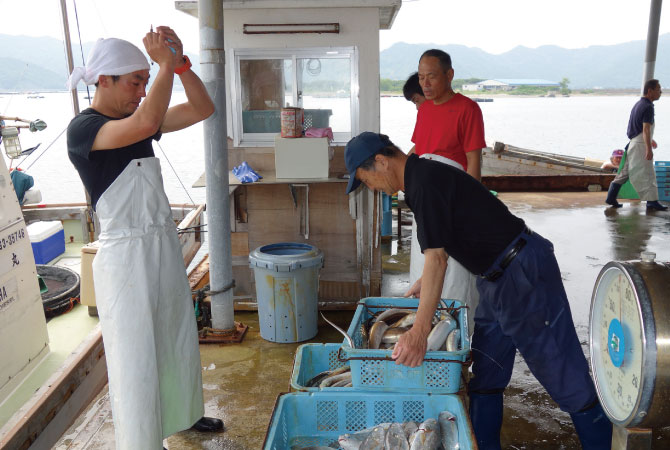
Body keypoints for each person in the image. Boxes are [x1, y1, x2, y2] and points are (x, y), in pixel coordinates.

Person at [344, 132, 613, 450]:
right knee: (486, 376)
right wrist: (423, 283)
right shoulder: (421, 178)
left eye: (367, 180)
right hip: (494, 279)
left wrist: (419, 331)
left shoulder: (423, 183)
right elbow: (452, 237)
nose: (372, 188)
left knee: (563, 374)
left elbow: (437, 259)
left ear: (381, 161)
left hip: (523, 274)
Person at [66, 29, 220, 449]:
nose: (142, 89)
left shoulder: (137, 120)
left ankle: (183, 414)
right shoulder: (86, 128)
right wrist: (164, 64)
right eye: (135, 81)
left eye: (144, 80)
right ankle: (141, 441)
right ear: (104, 81)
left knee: (174, 336)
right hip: (125, 255)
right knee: (134, 355)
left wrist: (181, 63)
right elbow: (148, 121)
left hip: (161, 245)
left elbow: (203, 108)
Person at [406, 49, 485, 334]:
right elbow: (419, 151)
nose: (425, 84)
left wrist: (472, 206)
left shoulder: (468, 109)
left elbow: (474, 159)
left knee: (456, 275)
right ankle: (423, 332)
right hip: (425, 200)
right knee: (423, 263)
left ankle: (460, 339)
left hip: (455, 201)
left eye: (432, 77)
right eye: (421, 77)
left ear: (449, 75)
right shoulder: (424, 109)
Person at [605, 79, 667, 210]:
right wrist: (649, 149)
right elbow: (645, 129)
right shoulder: (648, 107)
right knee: (647, 173)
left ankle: (611, 197)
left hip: (633, 143)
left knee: (625, 172)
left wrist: (650, 140)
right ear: (650, 91)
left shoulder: (638, 104)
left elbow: (638, 128)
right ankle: (651, 202)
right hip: (640, 146)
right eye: (658, 89)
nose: (660, 92)